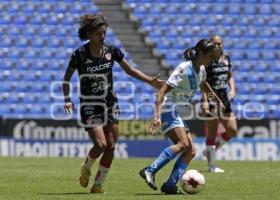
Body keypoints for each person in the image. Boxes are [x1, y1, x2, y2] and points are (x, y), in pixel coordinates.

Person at [62, 13, 163, 193]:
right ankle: (86, 166)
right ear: (90, 34)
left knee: (112, 145)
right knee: (100, 145)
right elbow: (66, 79)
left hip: (110, 103)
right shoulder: (79, 55)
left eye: (104, 33)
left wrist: (150, 81)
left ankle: (98, 185)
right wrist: (67, 99)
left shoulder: (111, 51)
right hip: (90, 105)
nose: (103, 37)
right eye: (99, 34)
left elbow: (130, 70)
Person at [139, 39, 225, 194]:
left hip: (179, 113)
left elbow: (204, 85)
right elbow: (162, 91)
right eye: (210, 56)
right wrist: (156, 116)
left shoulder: (202, 70)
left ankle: (170, 185)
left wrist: (217, 101)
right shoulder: (184, 68)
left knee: (191, 151)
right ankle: (150, 170)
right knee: (183, 144)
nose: (212, 59)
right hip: (169, 109)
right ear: (202, 54)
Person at [201, 35, 238, 173]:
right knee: (212, 132)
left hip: (224, 97)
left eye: (219, 43)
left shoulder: (226, 58)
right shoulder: (208, 60)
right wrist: (205, 101)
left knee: (232, 130)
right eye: (214, 43)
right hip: (211, 96)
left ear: (222, 45)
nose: (217, 46)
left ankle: (210, 151)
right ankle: (212, 166)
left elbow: (230, 75)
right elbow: (202, 82)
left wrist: (233, 89)